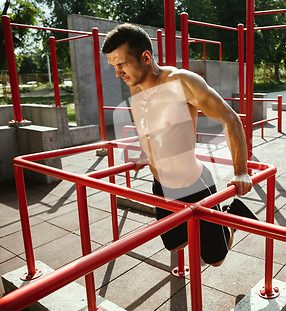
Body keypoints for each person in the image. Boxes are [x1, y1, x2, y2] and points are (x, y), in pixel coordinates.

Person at [102, 23, 257, 267]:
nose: (117, 73)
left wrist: (241, 171)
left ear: (145, 57)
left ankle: (230, 218)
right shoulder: (134, 86)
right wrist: (145, 153)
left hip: (193, 184)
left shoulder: (182, 81)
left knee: (214, 259)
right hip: (161, 186)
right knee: (174, 244)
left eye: (121, 64)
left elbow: (230, 119)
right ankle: (214, 225)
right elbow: (150, 127)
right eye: (113, 66)